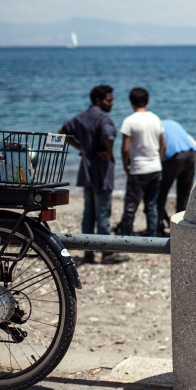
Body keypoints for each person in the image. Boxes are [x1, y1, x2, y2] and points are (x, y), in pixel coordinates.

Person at [59, 85, 129, 266]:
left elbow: (63, 133)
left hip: (86, 170)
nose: (112, 103)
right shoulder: (104, 117)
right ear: (98, 100)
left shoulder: (81, 117)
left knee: (88, 213)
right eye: (109, 100)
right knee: (103, 213)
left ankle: (88, 252)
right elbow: (109, 135)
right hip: (101, 171)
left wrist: (81, 148)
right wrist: (108, 151)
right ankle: (106, 253)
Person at [116, 87, 165, 237]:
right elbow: (163, 145)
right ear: (147, 100)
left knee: (131, 207)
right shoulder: (155, 118)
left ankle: (127, 236)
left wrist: (125, 166)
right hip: (155, 167)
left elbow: (125, 149)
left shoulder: (129, 121)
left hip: (138, 168)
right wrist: (159, 161)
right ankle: (152, 235)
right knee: (151, 205)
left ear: (131, 102)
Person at [156, 119, 196, 236]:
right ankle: (180, 229)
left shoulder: (157, 127)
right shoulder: (173, 123)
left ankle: (158, 227)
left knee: (161, 193)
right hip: (191, 155)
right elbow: (195, 144)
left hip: (173, 158)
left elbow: (160, 147)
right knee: (184, 194)